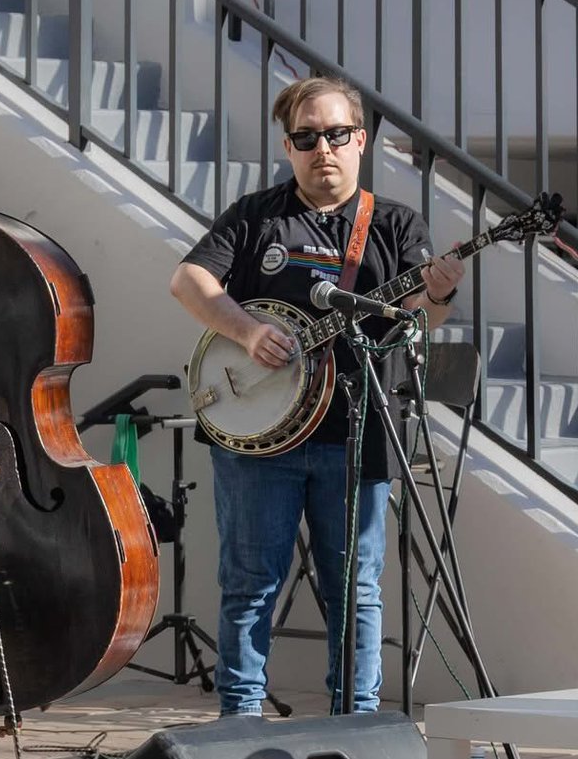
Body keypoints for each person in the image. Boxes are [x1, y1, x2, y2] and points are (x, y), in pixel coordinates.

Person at [170, 75, 464, 716]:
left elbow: (417, 317)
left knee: (354, 589)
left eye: (334, 135)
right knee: (248, 583)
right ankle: (239, 720)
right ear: (288, 146)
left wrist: (437, 295)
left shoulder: (394, 224)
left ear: (360, 140)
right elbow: (189, 280)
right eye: (306, 138)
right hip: (258, 439)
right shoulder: (256, 217)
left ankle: (354, 720)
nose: (321, 149)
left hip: (355, 436)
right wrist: (246, 332)